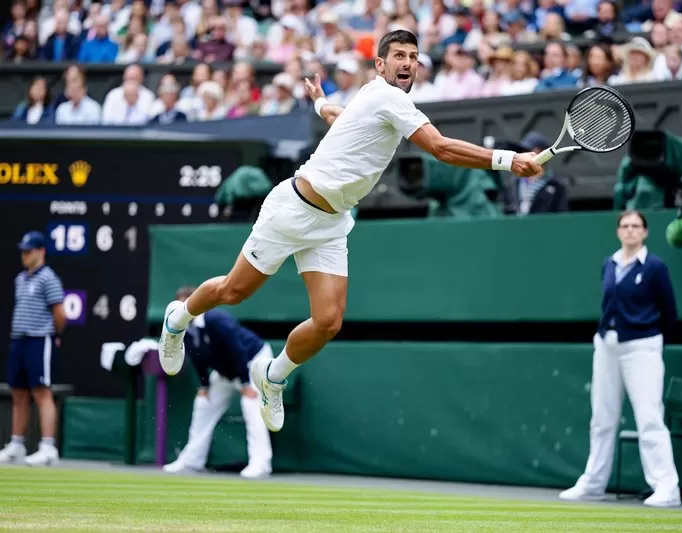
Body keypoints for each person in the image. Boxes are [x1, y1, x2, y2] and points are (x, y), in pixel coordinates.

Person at [157, 29, 544, 433]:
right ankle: (178, 320)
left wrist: (321, 102)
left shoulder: (379, 100)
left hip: (330, 223)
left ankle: (272, 377)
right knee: (234, 292)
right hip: (291, 210)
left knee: (328, 322)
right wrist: (508, 159)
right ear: (381, 65)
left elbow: (342, 120)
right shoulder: (387, 96)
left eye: (413, 56)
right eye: (398, 55)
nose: (407, 62)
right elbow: (441, 148)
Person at [559, 210, 681, 508]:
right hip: (606, 345)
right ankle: (593, 483)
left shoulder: (654, 267)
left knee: (649, 417)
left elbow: (670, 311)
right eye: (624, 226)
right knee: (601, 417)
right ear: (617, 232)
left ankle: (667, 487)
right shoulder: (609, 265)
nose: (629, 231)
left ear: (645, 232)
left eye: (635, 226)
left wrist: (649, 337)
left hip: (642, 346)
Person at [162, 286, 273, 479]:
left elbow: (236, 348)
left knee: (251, 405)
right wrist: (205, 385)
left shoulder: (216, 319)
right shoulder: (184, 330)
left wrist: (246, 384)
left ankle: (261, 464)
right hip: (225, 372)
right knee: (203, 403)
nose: (183, 309)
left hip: (253, 362)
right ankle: (191, 461)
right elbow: (196, 358)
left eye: (187, 303)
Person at [0, 231, 66, 466]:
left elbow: (60, 313)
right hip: (19, 340)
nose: (25, 255)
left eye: (29, 251)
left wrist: (54, 334)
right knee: (18, 392)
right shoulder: (20, 279)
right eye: (23, 251)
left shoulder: (49, 278)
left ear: (41, 251)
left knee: (41, 392)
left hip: (40, 339)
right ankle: (17, 444)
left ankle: (48, 448)